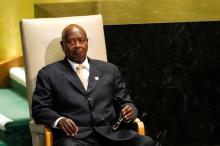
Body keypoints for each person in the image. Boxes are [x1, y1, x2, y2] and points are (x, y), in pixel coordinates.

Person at [32, 24, 154, 146]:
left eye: (81, 40)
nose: (78, 45)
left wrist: (128, 111)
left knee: (145, 142)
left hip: (111, 134)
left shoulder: (109, 70)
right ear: (62, 45)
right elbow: (39, 109)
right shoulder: (48, 74)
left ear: (87, 42)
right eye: (71, 42)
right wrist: (59, 120)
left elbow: (126, 102)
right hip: (75, 138)